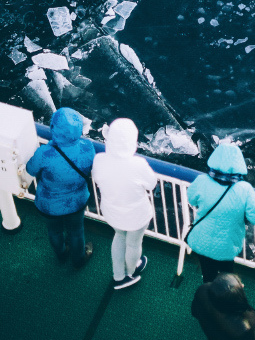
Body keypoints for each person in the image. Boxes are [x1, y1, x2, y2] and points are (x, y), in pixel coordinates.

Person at [92, 117, 158, 290]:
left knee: (119, 236)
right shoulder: (138, 164)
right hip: (136, 216)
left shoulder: (99, 159)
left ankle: (118, 276)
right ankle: (130, 271)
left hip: (111, 212)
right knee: (133, 244)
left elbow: (97, 178)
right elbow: (151, 184)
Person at [25, 107, 95, 269]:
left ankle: (62, 253)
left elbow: (30, 170)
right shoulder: (87, 147)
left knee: (54, 231)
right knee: (76, 231)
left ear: (54, 129)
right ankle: (78, 260)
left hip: (48, 205)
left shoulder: (45, 153)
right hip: (77, 202)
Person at [186, 142, 255, 282]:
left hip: (201, 242)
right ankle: (227, 296)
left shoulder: (202, 181)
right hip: (226, 246)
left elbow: (192, 200)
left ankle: (209, 294)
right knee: (227, 276)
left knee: (208, 276)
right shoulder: (244, 189)